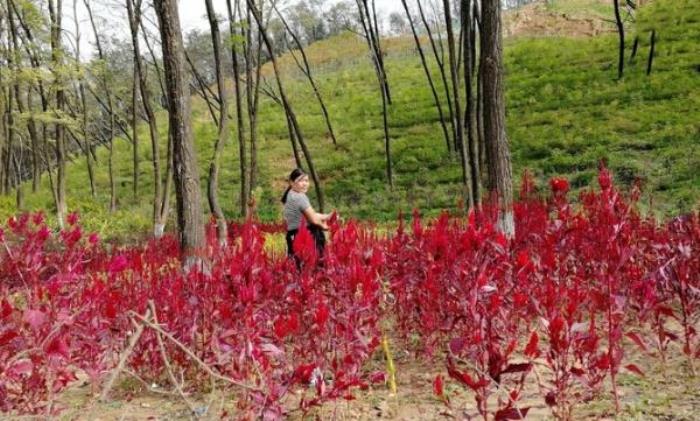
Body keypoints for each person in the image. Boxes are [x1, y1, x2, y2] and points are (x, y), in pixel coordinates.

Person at [281, 168, 331, 261]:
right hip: (305, 236)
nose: (305, 184)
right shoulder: (300, 197)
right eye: (300, 180)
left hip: (292, 235)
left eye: (307, 181)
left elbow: (311, 214)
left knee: (297, 267)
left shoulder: (291, 194)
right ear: (291, 182)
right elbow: (314, 219)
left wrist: (327, 216)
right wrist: (325, 226)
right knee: (311, 266)